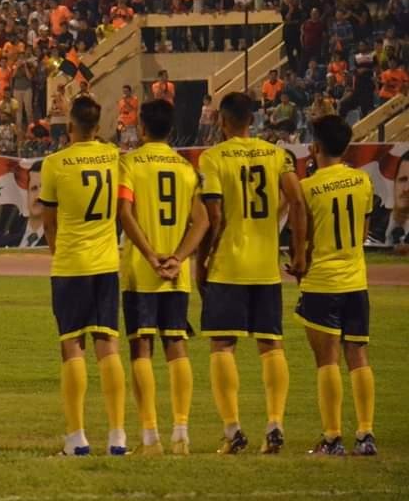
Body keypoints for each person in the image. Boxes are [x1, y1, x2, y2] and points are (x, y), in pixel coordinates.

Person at [196, 92, 307, 455]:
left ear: (222, 121)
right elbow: (297, 201)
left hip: (228, 265)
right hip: (265, 267)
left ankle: (233, 430)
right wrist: (299, 252)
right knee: (271, 344)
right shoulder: (277, 155)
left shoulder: (213, 157)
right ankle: (275, 424)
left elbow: (214, 216)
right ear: (252, 120)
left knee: (222, 345)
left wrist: (201, 261)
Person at [117, 99, 210, 455]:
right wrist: (178, 258)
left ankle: (150, 437)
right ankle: (181, 434)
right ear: (171, 130)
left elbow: (125, 213)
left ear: (141, 127)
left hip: (142, 272)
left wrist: (150, 255)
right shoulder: (186, 168)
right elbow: (202, 221)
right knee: (176, 345)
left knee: (141, 346)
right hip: (176, 273)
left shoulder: (130, 163)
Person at [39, 96, 127, 456]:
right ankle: (118, 436)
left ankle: (76, 438)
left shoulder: (55, 163)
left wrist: (58, 254)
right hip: (106, 264)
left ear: (70, 126)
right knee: (108, 344)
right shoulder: (113, 157)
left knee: (71, 345)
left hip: (71, 264)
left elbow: (48, 222)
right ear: (99, 126)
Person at [293, 116, 376, 456]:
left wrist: (298, 262)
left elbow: (304, 239)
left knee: (327, 359)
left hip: (322, 281)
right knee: (358, 354)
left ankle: (332, 438)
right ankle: (366, 434)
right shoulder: (362, 181)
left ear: (315, 146)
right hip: (356, 280)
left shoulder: (308, 187)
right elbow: (362, 231)